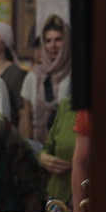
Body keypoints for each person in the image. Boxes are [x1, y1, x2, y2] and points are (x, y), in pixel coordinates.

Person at [20, 14, 72, 144]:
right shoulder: (33, 77)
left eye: (58, 40)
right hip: (38, 147)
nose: (53, 45)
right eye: (48, 41)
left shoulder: (74, 75)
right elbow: (26, 115)